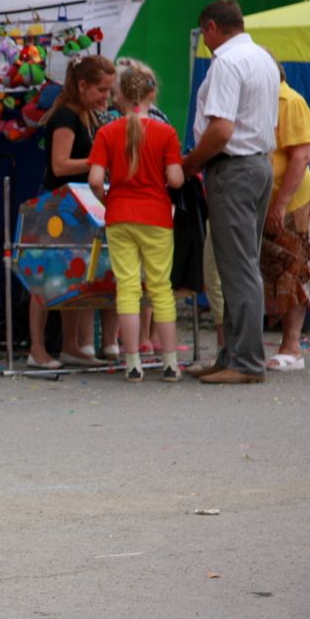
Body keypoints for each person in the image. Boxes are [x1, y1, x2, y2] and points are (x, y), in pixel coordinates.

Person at [181, 0, 279, 384]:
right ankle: (232, 355)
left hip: (233, 169)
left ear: (210, 28)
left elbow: (220, 130)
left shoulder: (226, 62)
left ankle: (246, 362)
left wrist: (192, 163)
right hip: (258, 165)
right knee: (241, 265)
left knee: (236, 269)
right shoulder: (262, 58)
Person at [88, 63, 184, 382]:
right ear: (152, 94)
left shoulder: (107, 132)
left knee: (127, 288)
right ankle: (169, 363)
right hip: (156, 216)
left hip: (119, 216)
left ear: (120, 97)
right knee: (160, 288)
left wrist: (107, 200)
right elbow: (175, 178)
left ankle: (132, 364)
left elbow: (95, 179)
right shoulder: (166, 133)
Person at [26, 54, 118, 370]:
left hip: (76, 206)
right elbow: (59, 164)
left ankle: (71, 346)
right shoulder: (65, 116)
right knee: (46, 278)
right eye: (102, 90)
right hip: (56, 206)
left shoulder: (86, 114)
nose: (106, 96)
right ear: (82, 85)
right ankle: (37, 348)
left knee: (73, 276)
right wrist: (100, 163)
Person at [258, 56, 310, 371]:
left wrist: (281, 202)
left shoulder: (289, 101)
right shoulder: (263, 100)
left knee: (295, 268)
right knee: (273, 270)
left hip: (292, 200)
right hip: (270, 198)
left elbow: (301, 155)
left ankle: (292, 346)